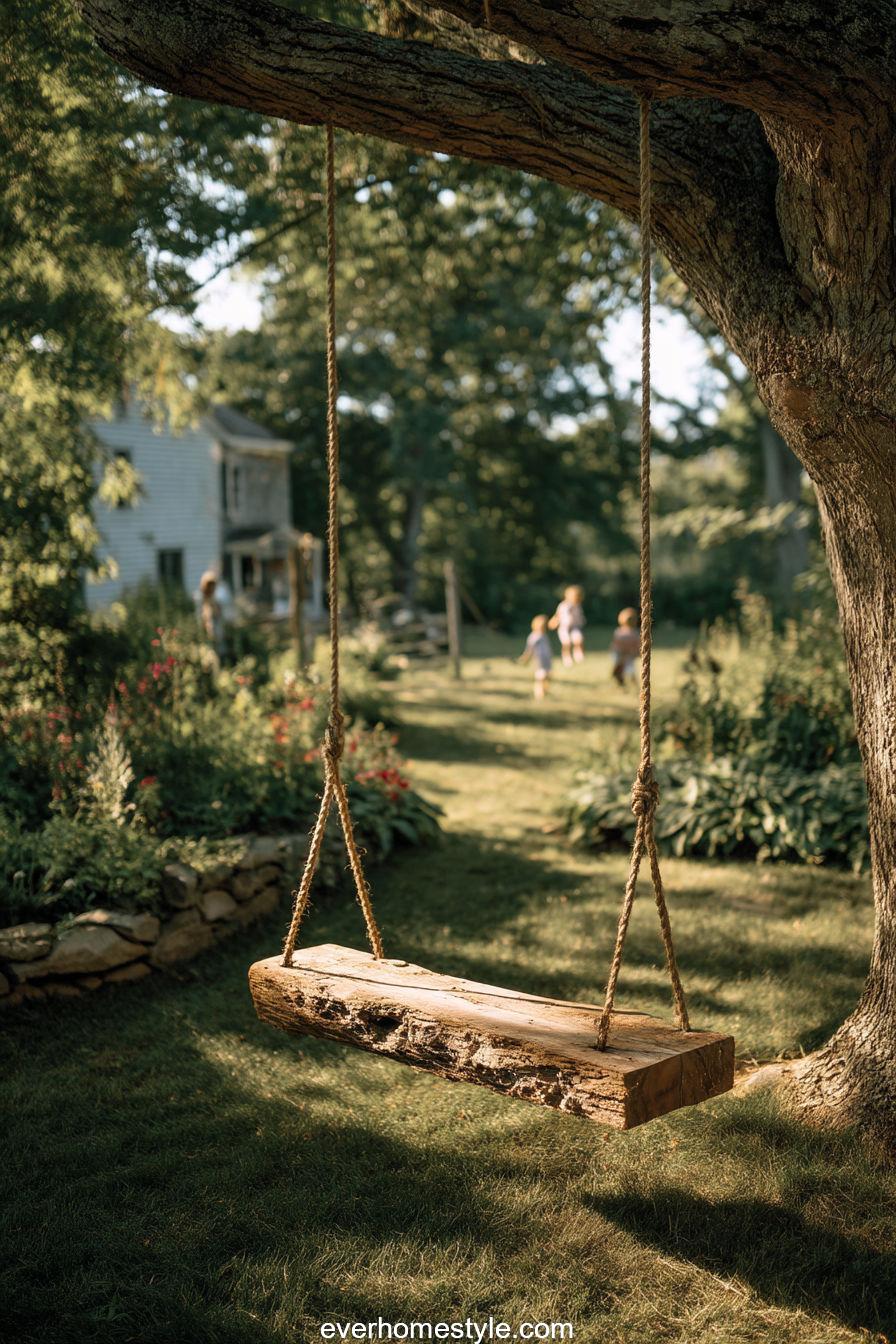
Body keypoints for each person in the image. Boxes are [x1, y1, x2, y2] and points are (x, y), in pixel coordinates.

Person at [548, 585, 585, 666]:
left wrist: (582, 621)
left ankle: (578, 654)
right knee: (566, 643)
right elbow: (557, 615)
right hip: (564, 628)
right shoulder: (563, 605)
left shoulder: (577, 606)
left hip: (575, 627)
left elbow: (579, 616)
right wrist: (553, 622)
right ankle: (566, 658)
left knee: (578, 640)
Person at [518, 615, 552, 699]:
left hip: (547, 659)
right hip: (539, 660)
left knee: (547, 676)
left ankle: (544, 691)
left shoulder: (544, 635)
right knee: (540, 677)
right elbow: (529, 649)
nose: (542, 628)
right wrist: (525, 658)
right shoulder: (533, 637)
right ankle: (539, 694)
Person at [197, 569, 225, 658]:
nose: (212, 588)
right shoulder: (201, 598)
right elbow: (201, 615)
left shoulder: (216, 598)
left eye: (213, 585)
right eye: (210, 585)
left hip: (216, 627)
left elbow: (219, 613)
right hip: (206, 627)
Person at [611, 606, 640, 686]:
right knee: (626, 669)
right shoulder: (621, 632)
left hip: (627, 655)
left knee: (630, 669)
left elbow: (637, 645)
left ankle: (632, 682)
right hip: (621, 654)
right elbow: (616, 644)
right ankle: (622, 680)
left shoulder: (620, 632)